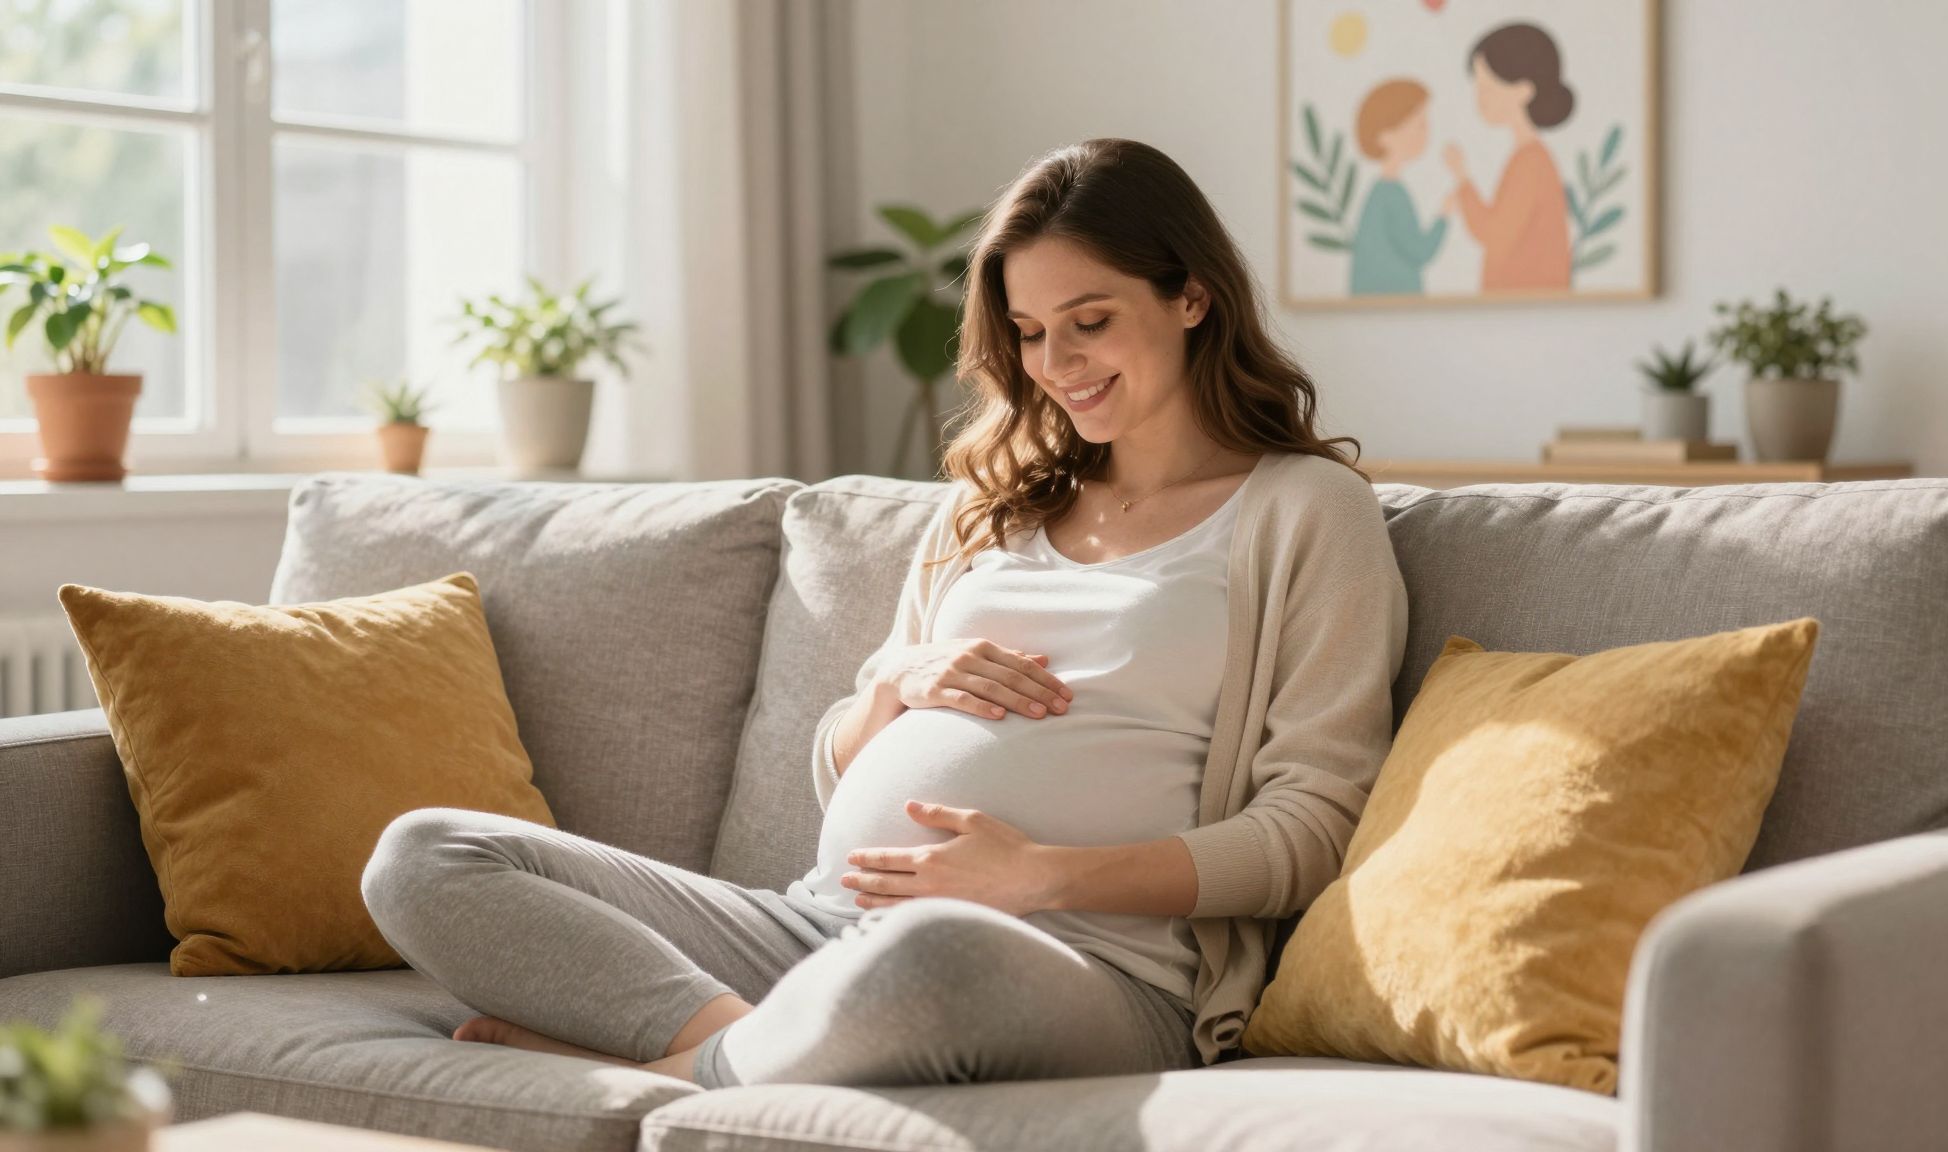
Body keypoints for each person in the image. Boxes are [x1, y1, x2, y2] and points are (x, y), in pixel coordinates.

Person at [359, 137, 1410, 1090]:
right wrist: (897, 687)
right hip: (819, 924)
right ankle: (743, 1044)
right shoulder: (991, 504)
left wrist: (1040, 878)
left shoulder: (1302, 510)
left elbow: (1309, 830)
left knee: (934, 956)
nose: (1057, 365)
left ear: (1190, 296)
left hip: (1083, 967)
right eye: (1032, 332)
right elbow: (837, 767)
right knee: (424, 854)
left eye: (1090, 322)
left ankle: (689, 1064)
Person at [1443, 22, 1576, 292]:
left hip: (1530, 304)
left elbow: (1493, 234)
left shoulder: (1532, 163)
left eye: (1487, 89)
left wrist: (1462, 180)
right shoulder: (1525, 157)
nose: (1479, 100)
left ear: (1523, 91)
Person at [1348, 78, 1455, 296]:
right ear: (1386, 136)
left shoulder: (1382, 192)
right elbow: (1419, 250)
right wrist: (1444, 214)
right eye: (1420, 124)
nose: (1427, 132)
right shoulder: (1390, 195)